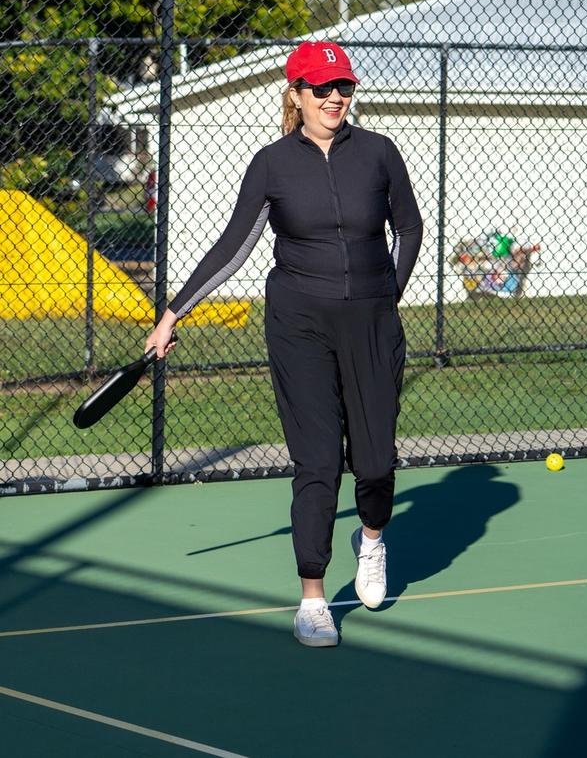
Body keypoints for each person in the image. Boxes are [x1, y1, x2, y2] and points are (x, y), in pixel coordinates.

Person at [146, 41, 423, 647]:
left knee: (375, 463)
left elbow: (408, 227)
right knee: (318, 461)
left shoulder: (379, 153)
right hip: (299, 323)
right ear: (295, 94)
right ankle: (313, 597)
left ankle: (371, 540)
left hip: (373, 323)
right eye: (321, 88)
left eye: (343, 87)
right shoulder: (272, 163)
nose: (334, 99)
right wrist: (173, 313)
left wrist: (386, 297)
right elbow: (233, 247)